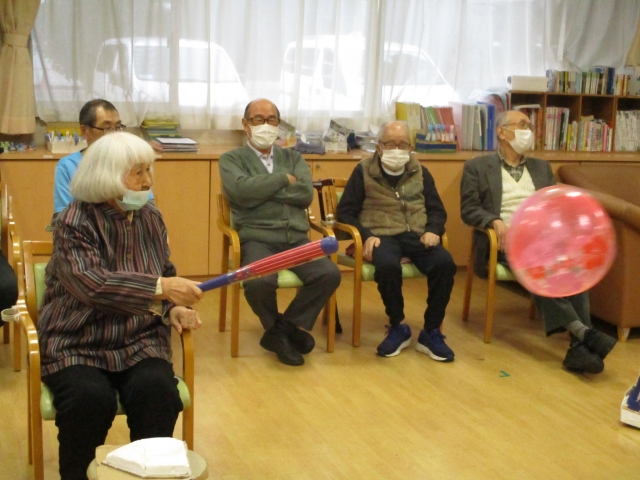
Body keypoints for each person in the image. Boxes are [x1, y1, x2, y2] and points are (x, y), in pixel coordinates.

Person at [38, 132, 203, 479]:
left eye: (148, 170)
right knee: (88, 400)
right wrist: (161, 288)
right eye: (137, 173)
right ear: (107, 176)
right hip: (76, 341)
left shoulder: (150, 217)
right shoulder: (72, 222)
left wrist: (172, 308)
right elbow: (93, 285)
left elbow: (164, 271)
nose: (147, 181)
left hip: (139, 339)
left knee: (159, 392)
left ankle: (151, 474)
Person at [460, 109, 617, 374]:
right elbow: (468, 209)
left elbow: (554, 207)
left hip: (543, 241)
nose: (528, 131)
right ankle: (584, 334)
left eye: (530, 126)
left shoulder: (541, 168)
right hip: (504, 242)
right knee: (538, 269)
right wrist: (493, 221)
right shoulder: (477, 167)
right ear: (502, 132)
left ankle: (580, 343)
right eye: (522, 125)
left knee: (575, 265)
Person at [219, 98, 341, 367]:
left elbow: (305, 193)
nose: (266, 124)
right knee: (258, 282)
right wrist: (283, 180)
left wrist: (258, 191)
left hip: (296, 239)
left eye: (271, 119)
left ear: (278, 124)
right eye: (258, 119)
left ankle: (282, 330)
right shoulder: (231, 159)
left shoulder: (293, 157)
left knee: (328, 273)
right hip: (257, 238)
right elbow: (240, 192)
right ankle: (281, 331)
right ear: (246, 124)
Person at [336, 121, 457, 361]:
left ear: (410, 147)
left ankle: (431, 331)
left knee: (445, 264)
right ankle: (398, 325)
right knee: (387, 266)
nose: (397, 149)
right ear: (379, 147)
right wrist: (366, 235)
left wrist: (433, 230)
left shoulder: (420, 171)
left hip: (417, 233)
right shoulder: (363, 171)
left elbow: (437, 210)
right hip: (381, 234)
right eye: (390, 144)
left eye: (402, 145)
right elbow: (345, 212)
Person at [52, 99, 153, 218]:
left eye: (118, 127)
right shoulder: (67, 166)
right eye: (108, 128)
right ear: (85, 131)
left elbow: (148, 206)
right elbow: (63, 216)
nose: (115, 134)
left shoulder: (132, 161)